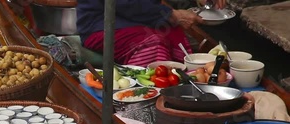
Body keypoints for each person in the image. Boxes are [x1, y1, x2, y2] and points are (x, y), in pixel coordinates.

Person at [76, 0, 227, 67]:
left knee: (175, 36)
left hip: (137, 19)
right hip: (101, 24)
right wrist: (173, 15)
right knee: (153, 44)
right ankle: (144, 99)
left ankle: (178, 86)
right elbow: (127, 4)